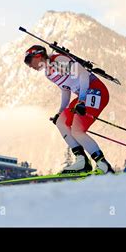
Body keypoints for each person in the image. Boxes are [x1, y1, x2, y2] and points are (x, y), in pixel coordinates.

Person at [24, 45, 114, 174]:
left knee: (77, 130)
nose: (29, 66)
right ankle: (81, 160)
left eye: (29, 61)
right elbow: (65, 89)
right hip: (83, 96)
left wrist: (82, 100)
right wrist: (60, 111)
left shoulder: (59, 60)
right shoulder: (48, 73)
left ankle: (103, 164)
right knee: (61, 122)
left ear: (38, 56)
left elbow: (83, 74)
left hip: (96, 90)